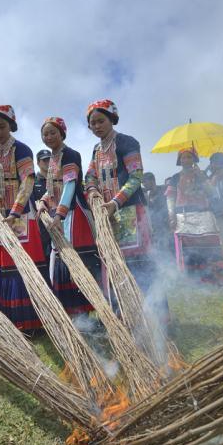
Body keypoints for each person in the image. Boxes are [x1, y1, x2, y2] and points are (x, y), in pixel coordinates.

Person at [83, 99, 158, 318]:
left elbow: (136, 176)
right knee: (114, 264)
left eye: (101, 121)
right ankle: (123, 313)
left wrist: (115, 203)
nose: (97, 126)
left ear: (112, 119)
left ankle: (148, 315)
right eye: (93, 123)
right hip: (107, 215)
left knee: (137, 263)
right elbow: (90, 176)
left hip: (130, 213)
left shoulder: (127, 142)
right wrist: (93, 191)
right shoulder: (96, 150)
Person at [0, 105, 47, 332]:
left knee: (24, 266)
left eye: (2, 126)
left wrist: (15, 212)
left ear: (11, 126)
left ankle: (32, 322)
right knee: (5, 267)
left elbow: (27, 182)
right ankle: (11, 319)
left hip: (20, 216)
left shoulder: (22, 149)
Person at [35, 117, 97, 319]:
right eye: (45, 134)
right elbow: (51, 188)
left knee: (77, 259)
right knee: (62, 260)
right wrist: (44, 201)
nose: (49, 137)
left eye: (53, 132)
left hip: (74, 214)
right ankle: (71, 312)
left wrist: (60, 213)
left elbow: (70, 185)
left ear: (62, 133)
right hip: (58, 214)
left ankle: (84, 313)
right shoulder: (52, 159)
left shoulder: (71, 155)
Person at [166, 148, 223, 283]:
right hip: (184, 216)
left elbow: (212, 193)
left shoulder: (201, 175)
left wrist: (202, 177)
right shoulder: (175, 177)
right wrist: (172, 216)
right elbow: (170, 198)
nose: (186, 160)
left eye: (189, 157)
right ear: (179, 161)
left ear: (194, 160)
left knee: (210, 245)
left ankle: (215, 275)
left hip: (204, 215)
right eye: (183, 158)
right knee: (189, 248)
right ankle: (192, 278)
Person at [142, 172, 172, 255]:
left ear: (152, 181)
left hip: (167, 228)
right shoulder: (147, 195)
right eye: (142, 182)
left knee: (169, 251)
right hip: (156, 230)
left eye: (145, 181)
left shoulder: (164, 189)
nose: (143, 184)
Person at [33, 149, 53, 267]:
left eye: (49, 159)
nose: (48, 162)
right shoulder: (33, 181)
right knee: (44, 256)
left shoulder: (57, 178)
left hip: (58, 221)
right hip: (41, 225)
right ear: (38, 163)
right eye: (44, 160)